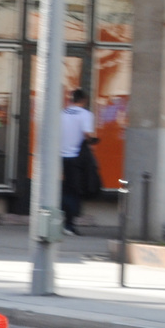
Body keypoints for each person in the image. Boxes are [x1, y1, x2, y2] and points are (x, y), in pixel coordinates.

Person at [60, 87, 97, 235]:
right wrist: (93, 140)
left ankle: (64, 220)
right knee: (74, 190)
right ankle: (68, 223)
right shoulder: (85, 114)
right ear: (83, 100)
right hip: (76, 157)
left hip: (60, 156)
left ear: (71, 100)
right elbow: (87, 134)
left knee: (65, 189)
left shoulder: (61, 113)